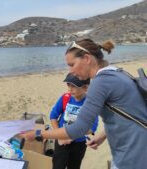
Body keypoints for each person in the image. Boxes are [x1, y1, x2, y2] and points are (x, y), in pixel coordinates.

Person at [22, 39, 147, 169]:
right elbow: (129, 113)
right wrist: (102, 137)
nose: (70, 71)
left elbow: (79, 128)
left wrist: (38, 134)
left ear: (87, 58)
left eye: (72, 64)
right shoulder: (117, 72)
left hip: (133, 153)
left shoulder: (100, 82)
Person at [50, 73, 98, 169]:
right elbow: (53, 116)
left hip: (79, 144)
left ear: (85, 88)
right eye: (68, 85)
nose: (69, 89)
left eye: (74, 86)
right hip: (61, 140)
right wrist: (59, 136)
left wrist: (74, 136)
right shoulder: (65, 98)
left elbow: (92, 127)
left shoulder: (90, 103)